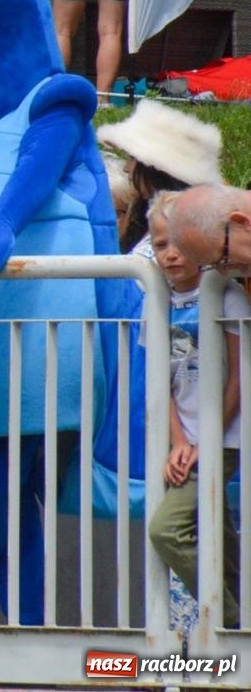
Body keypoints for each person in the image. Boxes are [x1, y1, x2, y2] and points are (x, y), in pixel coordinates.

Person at [145, 193, 244, 632]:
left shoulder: (225, 294)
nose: (169, 254)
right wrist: (180, 442)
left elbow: (240, 377)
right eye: (159, 243)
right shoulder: (156, 302)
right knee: (215, 531)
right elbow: (159, 383)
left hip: (224, 435)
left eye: (179, 245)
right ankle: (234, 631)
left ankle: (227, 619)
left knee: (167, 529)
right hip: (187, 441)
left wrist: (207, 439)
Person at [96, 98, 222, 255]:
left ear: (154, 169)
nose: (127, 169)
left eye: (133, 158)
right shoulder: (146, 221)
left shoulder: (183, 228)